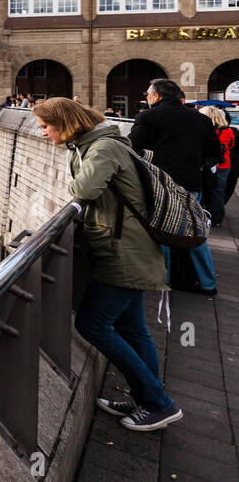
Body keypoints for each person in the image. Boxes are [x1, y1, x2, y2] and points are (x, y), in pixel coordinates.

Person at [35, 97, 183, 432]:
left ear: (65, 122)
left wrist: (74, 181)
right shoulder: (103, 143)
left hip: (124, 252)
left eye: (45, 126)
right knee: (133, 329)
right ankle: (148, 398)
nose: (42, 133)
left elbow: (84, 189)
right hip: (131, 248)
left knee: (92, 325)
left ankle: (159, 403)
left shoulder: (102, 149)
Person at [130, 79, 223, 296]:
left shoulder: (147, 117)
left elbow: (132, 147)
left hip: (159, 185)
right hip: (192, 184)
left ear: (156, 97)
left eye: (148, 94)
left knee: (162, 233)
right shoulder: (201, 119)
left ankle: (164, 281)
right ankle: (208, 282)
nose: (146, 98)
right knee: (195, 231)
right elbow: (215, 155)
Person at [201, 106, 232, 225]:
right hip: (224, 164)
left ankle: (204, 216)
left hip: (207, 165)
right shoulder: (228, 130)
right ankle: (217, 218)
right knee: (219, 191)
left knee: (204, 190)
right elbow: (231, 144)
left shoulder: (206, 130)